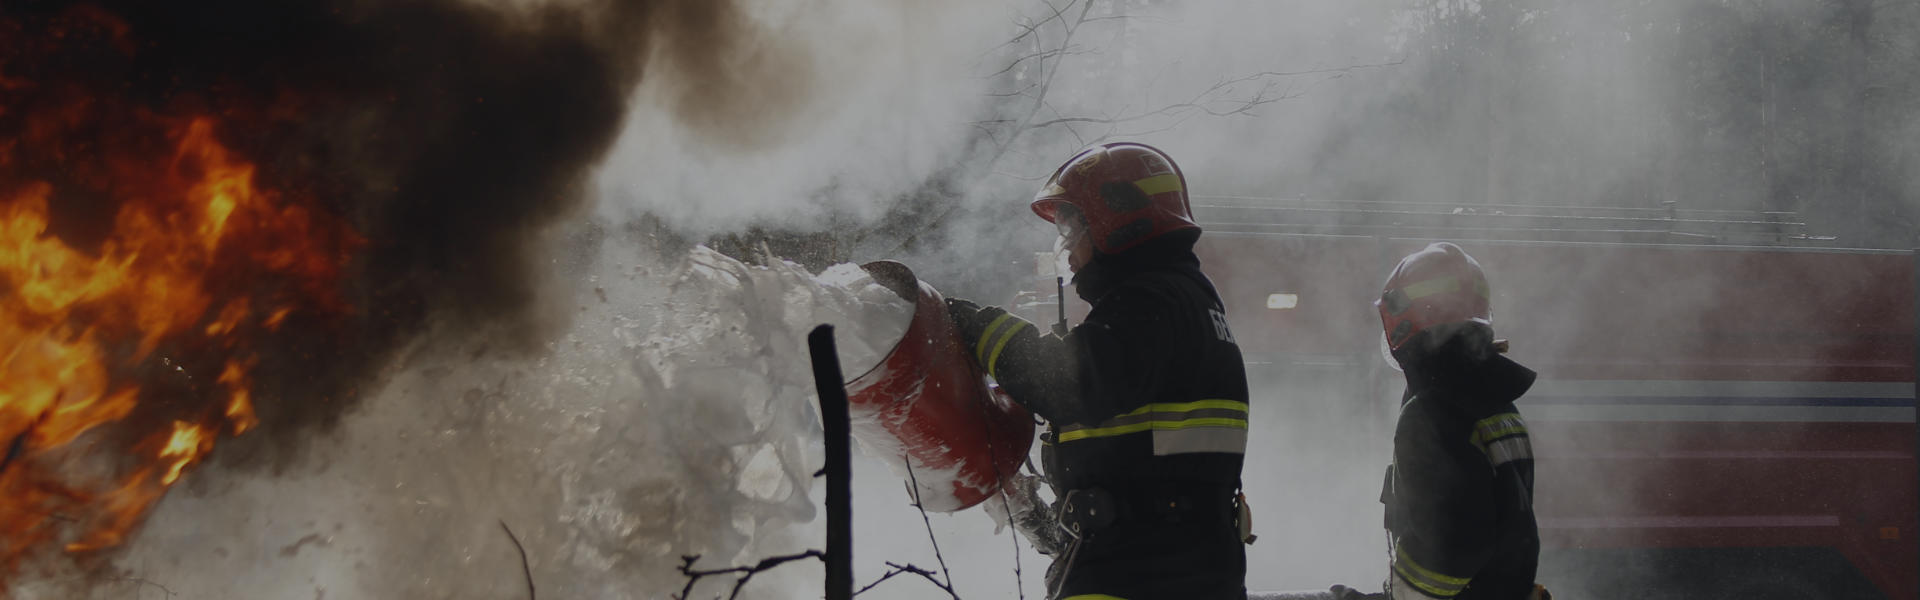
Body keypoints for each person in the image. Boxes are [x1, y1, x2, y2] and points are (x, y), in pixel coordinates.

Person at [946, 142, 1253, 600]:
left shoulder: (1151, 302)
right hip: (1175, 565)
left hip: (1138, 575)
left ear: (1117, 220)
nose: (1068, 251)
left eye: (1073, 230)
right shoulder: (1187, 301)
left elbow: (1070, 384)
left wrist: (978, 328)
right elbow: (1138, 463)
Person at [1333, 242, 1546, 600]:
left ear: (1401, 320)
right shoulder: (1499, 404)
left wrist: (1399, 596)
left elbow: (1450, 554)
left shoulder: (1430, 414)